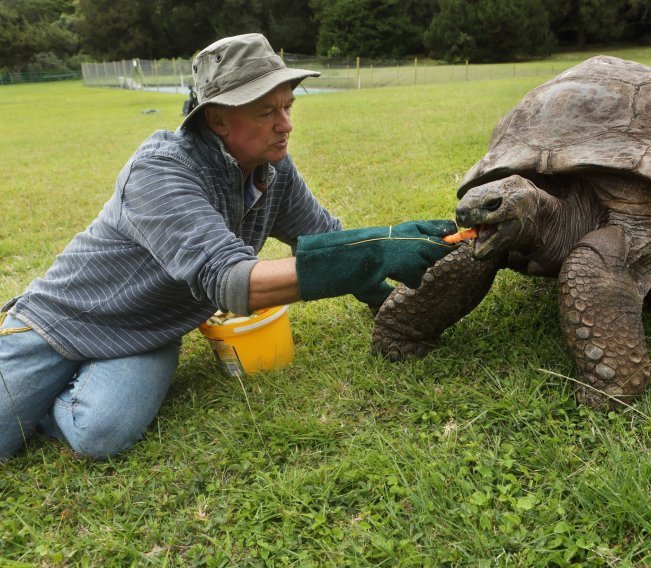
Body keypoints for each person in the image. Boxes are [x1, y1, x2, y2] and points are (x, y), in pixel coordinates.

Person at [0, 33, 456, 461]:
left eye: (288, 106)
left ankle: (52, 401)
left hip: (147, 332)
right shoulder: (159, 172)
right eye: (266, 113)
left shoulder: (271, 168)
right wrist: (372, 252)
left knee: (101, 433)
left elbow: (322, 238)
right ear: (218, 118)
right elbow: (231, 280)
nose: (286, 125)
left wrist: (392, 302)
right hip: (58, 323)